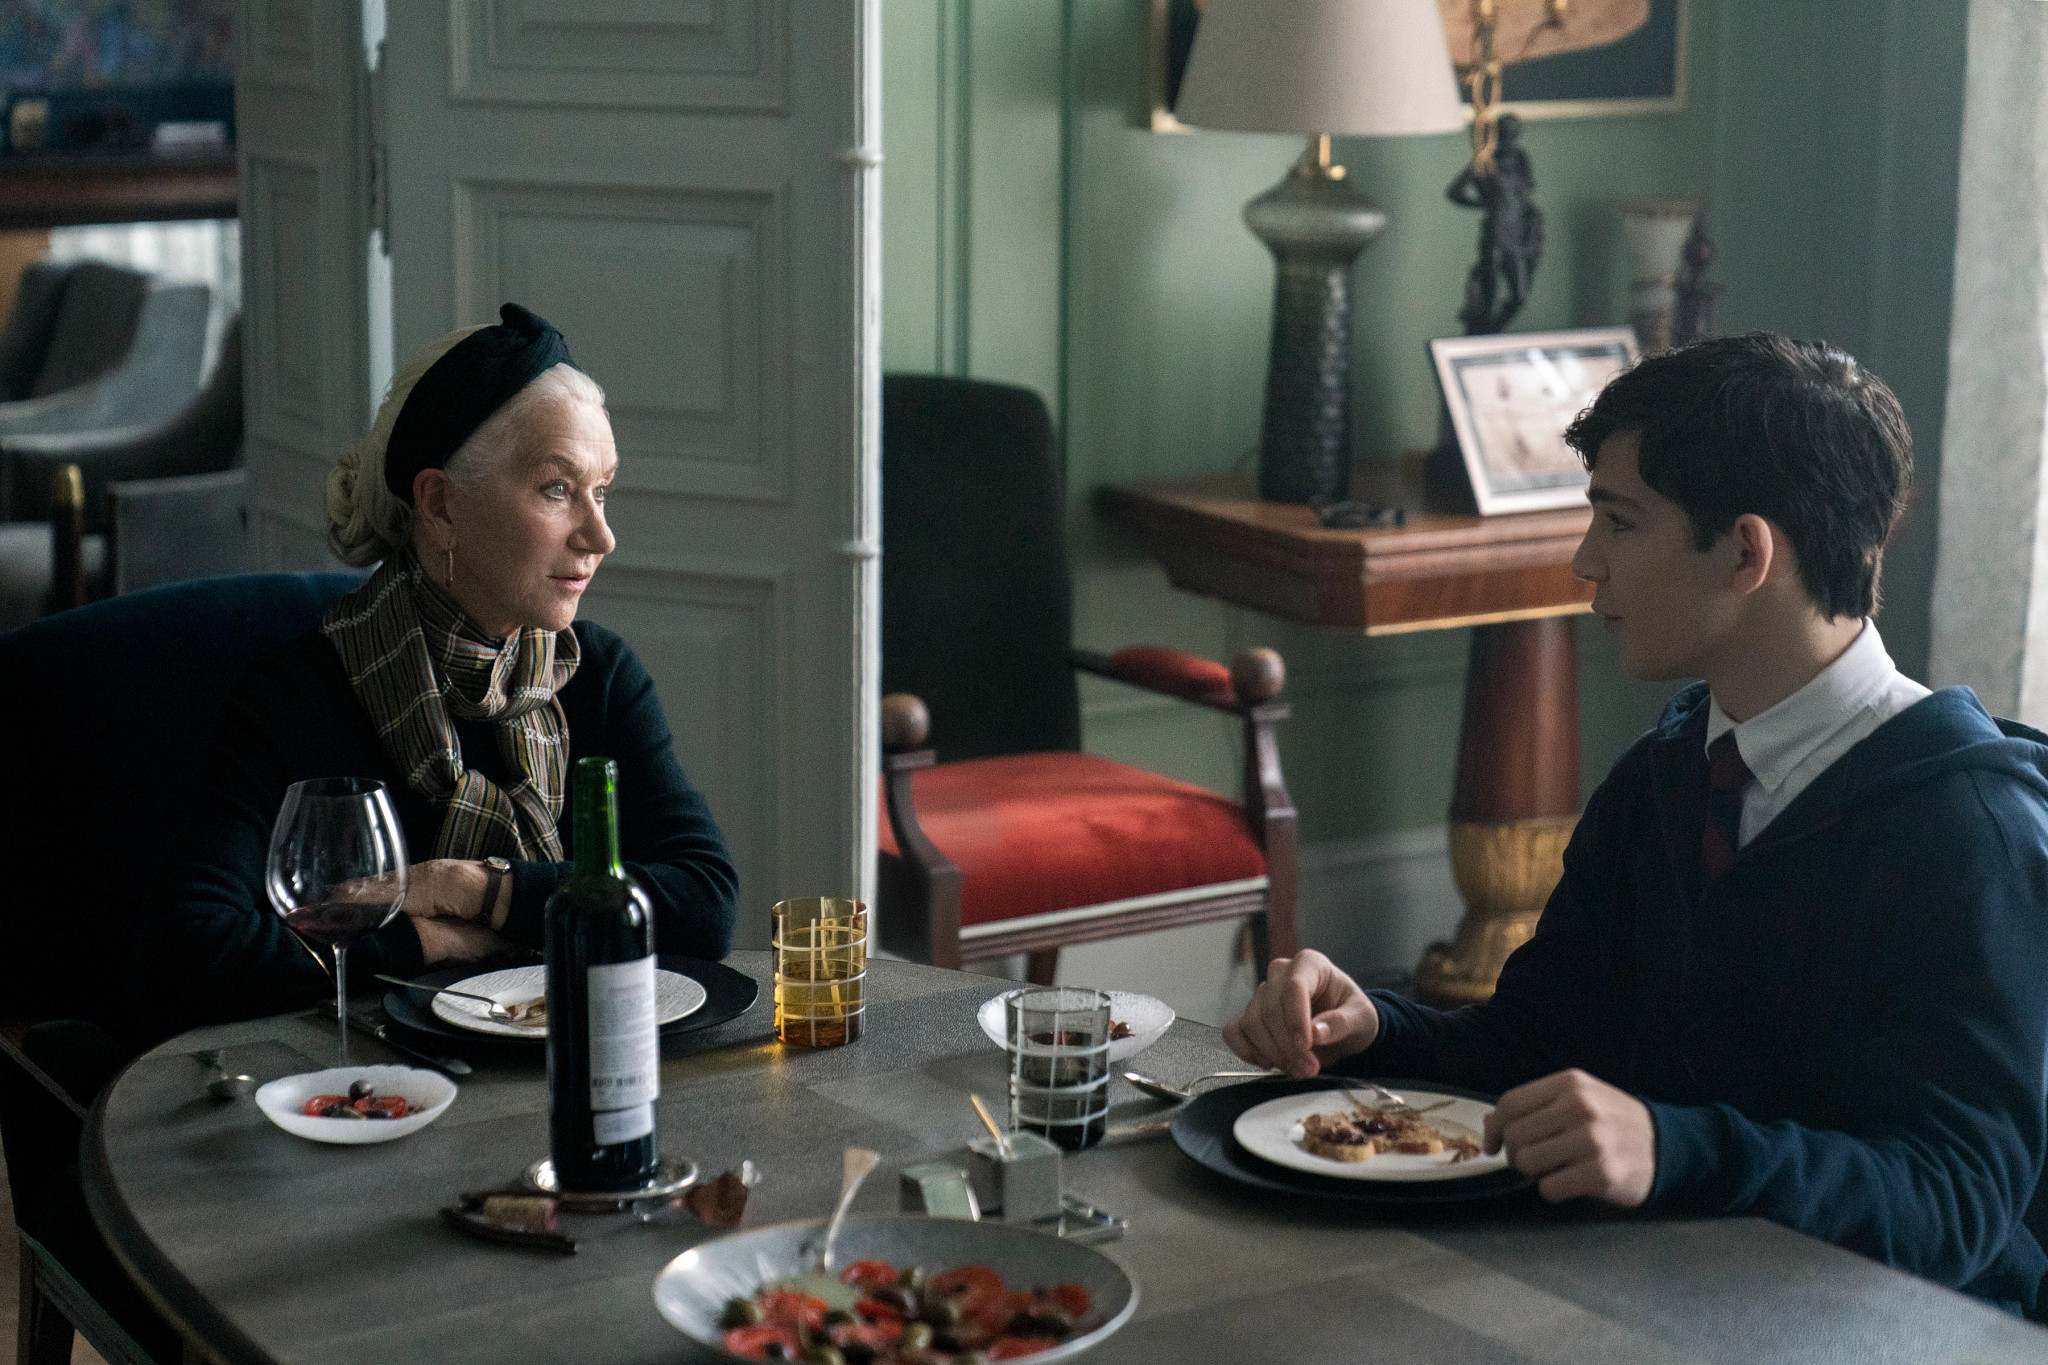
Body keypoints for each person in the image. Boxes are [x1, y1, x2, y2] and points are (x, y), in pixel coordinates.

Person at [1224, 333, 2048, 1317]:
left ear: (1745, 553)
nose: (1584, 562)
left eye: (1617, 523)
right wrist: (1371, 1026)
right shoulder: (1663, 777)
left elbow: (1954, 1207)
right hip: (1663, 1291)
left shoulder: (1968, 833)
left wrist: (1672, 1148)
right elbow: (1537, 1042)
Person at [137, 304, 738, 1034]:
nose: (600, 534)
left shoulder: (598, 673)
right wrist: (421, 939)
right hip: (379, 1102)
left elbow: (703, 902)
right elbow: (194, 947)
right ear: (441, 504)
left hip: (575, 1073)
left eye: (602, 490)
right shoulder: (299, 695)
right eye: (558, 488)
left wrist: (477, 888)